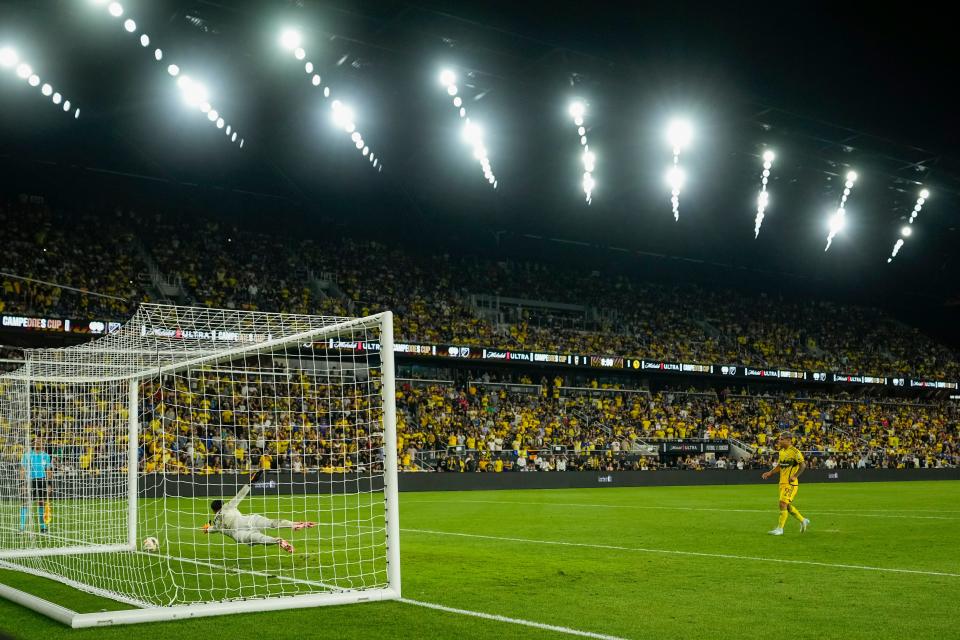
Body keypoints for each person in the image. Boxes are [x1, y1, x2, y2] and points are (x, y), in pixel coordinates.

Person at [202, 470, 316, 553]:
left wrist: (207, 529)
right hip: (247, 521)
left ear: (213, 511)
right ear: (222, 504)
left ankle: (277, 541)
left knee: (259, 539)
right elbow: (240, 495)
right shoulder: (227, 507)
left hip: (238, 534)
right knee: (271, 523)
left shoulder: (216, 523)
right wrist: (251, 482)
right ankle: (294, 524)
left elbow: (212, 530)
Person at [761, 433, 810, 536]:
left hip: (791, 484)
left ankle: (780, 529)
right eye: (779, 439)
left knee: (782, 504)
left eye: (781, 439)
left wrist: (795, 476)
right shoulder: (781, 452)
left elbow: (803, 465)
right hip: (782, 483)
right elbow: (780, 465)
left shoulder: (795, 452)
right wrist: (770, 472)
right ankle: (803, 520)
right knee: (787, 506)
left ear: (788, 440)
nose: (779, 441)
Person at [20, 437, 53, 533]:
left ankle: (43, 527)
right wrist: (22, 483)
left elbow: (48, 470)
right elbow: (22, 469)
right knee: (25, 502)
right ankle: (22, 528)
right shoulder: (27, 455)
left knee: (41, 502)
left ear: (43, 444)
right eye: (36, 441)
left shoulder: (46, 456)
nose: (38, 443)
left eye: (40, 441)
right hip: (30, 481)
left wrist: (49, 484)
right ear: (33, 443)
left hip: (42, 481)